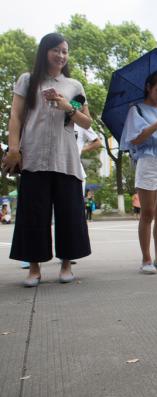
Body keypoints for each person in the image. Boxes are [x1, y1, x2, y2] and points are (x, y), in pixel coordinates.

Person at [4, 33, 92, 287]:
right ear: (44, 52)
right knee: (33, 214)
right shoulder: (28, 80)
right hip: (34, 156)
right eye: (56, 50)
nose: (61, 56)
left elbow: (87, 123)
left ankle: (66, 265)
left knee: (69, 214)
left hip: (66, 159)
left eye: (65, 51)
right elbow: (16, 117)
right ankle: (34, 269)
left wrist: (66, 105)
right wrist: (13, 149)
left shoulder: (74, 85)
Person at [120, 70, 157, 274]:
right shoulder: (136, 110)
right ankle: (146, 259)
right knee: (147, 212)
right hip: (148, 161)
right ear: (148, 87)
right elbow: (134, 140)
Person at [74, 125, 102, 196]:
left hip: (76, 171)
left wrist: (81, 150)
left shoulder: (80, 123)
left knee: (75, 204)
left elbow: (97, 142)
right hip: (54, 170)